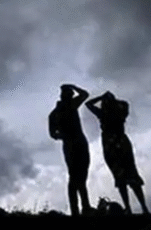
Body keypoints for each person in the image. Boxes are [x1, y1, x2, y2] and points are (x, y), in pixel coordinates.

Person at [85, 91, 149, 215]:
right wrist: (112, 99)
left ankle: (131, 207)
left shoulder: (104, 113)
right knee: (128, 176)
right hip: (119, 144)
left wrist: (102, 98)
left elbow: (89, 104)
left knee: (124, 178)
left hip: (111, 145)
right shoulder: (121, 111)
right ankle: (142, 208)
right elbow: (124, 104)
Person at [49, 84, 92, 216]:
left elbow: (84, 94)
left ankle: (84, 207)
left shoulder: (66, 107)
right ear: (64, 96)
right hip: (73, 144)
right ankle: (77, 209)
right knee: (75, 177)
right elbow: (53, 134)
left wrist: (61, 135)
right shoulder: (60, 111)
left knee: (80, 176)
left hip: (78, 143)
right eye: (70, 94)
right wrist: (65, 136)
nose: (72, 96)